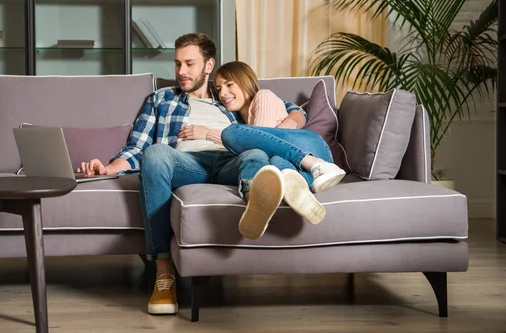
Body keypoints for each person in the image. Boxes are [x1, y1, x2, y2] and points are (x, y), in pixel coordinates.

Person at [76, 33, 308, 316]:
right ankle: (163, 273)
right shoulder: (162, 99)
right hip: (186, 163)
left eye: (189, 64)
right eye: (177, 64)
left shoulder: (228, 94)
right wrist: (109, 168)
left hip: (229, 163)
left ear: (208, 65)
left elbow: (281, 106)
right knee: (156, 152)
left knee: (256, 155)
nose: (181, 72)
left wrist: (293, 119)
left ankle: (255, 200)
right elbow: (138, 147)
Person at [177, 61, 346, 240]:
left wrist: (208, 133)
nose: (223, 93)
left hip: (311, 146)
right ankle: (303, 193)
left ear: (245, 81)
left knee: (232, 134)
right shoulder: (240, 119)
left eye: (229, 85)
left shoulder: (262, 96)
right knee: (279, 169)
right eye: (218, 89)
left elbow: (259, 143)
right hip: (293, 161)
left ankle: (317, 165)